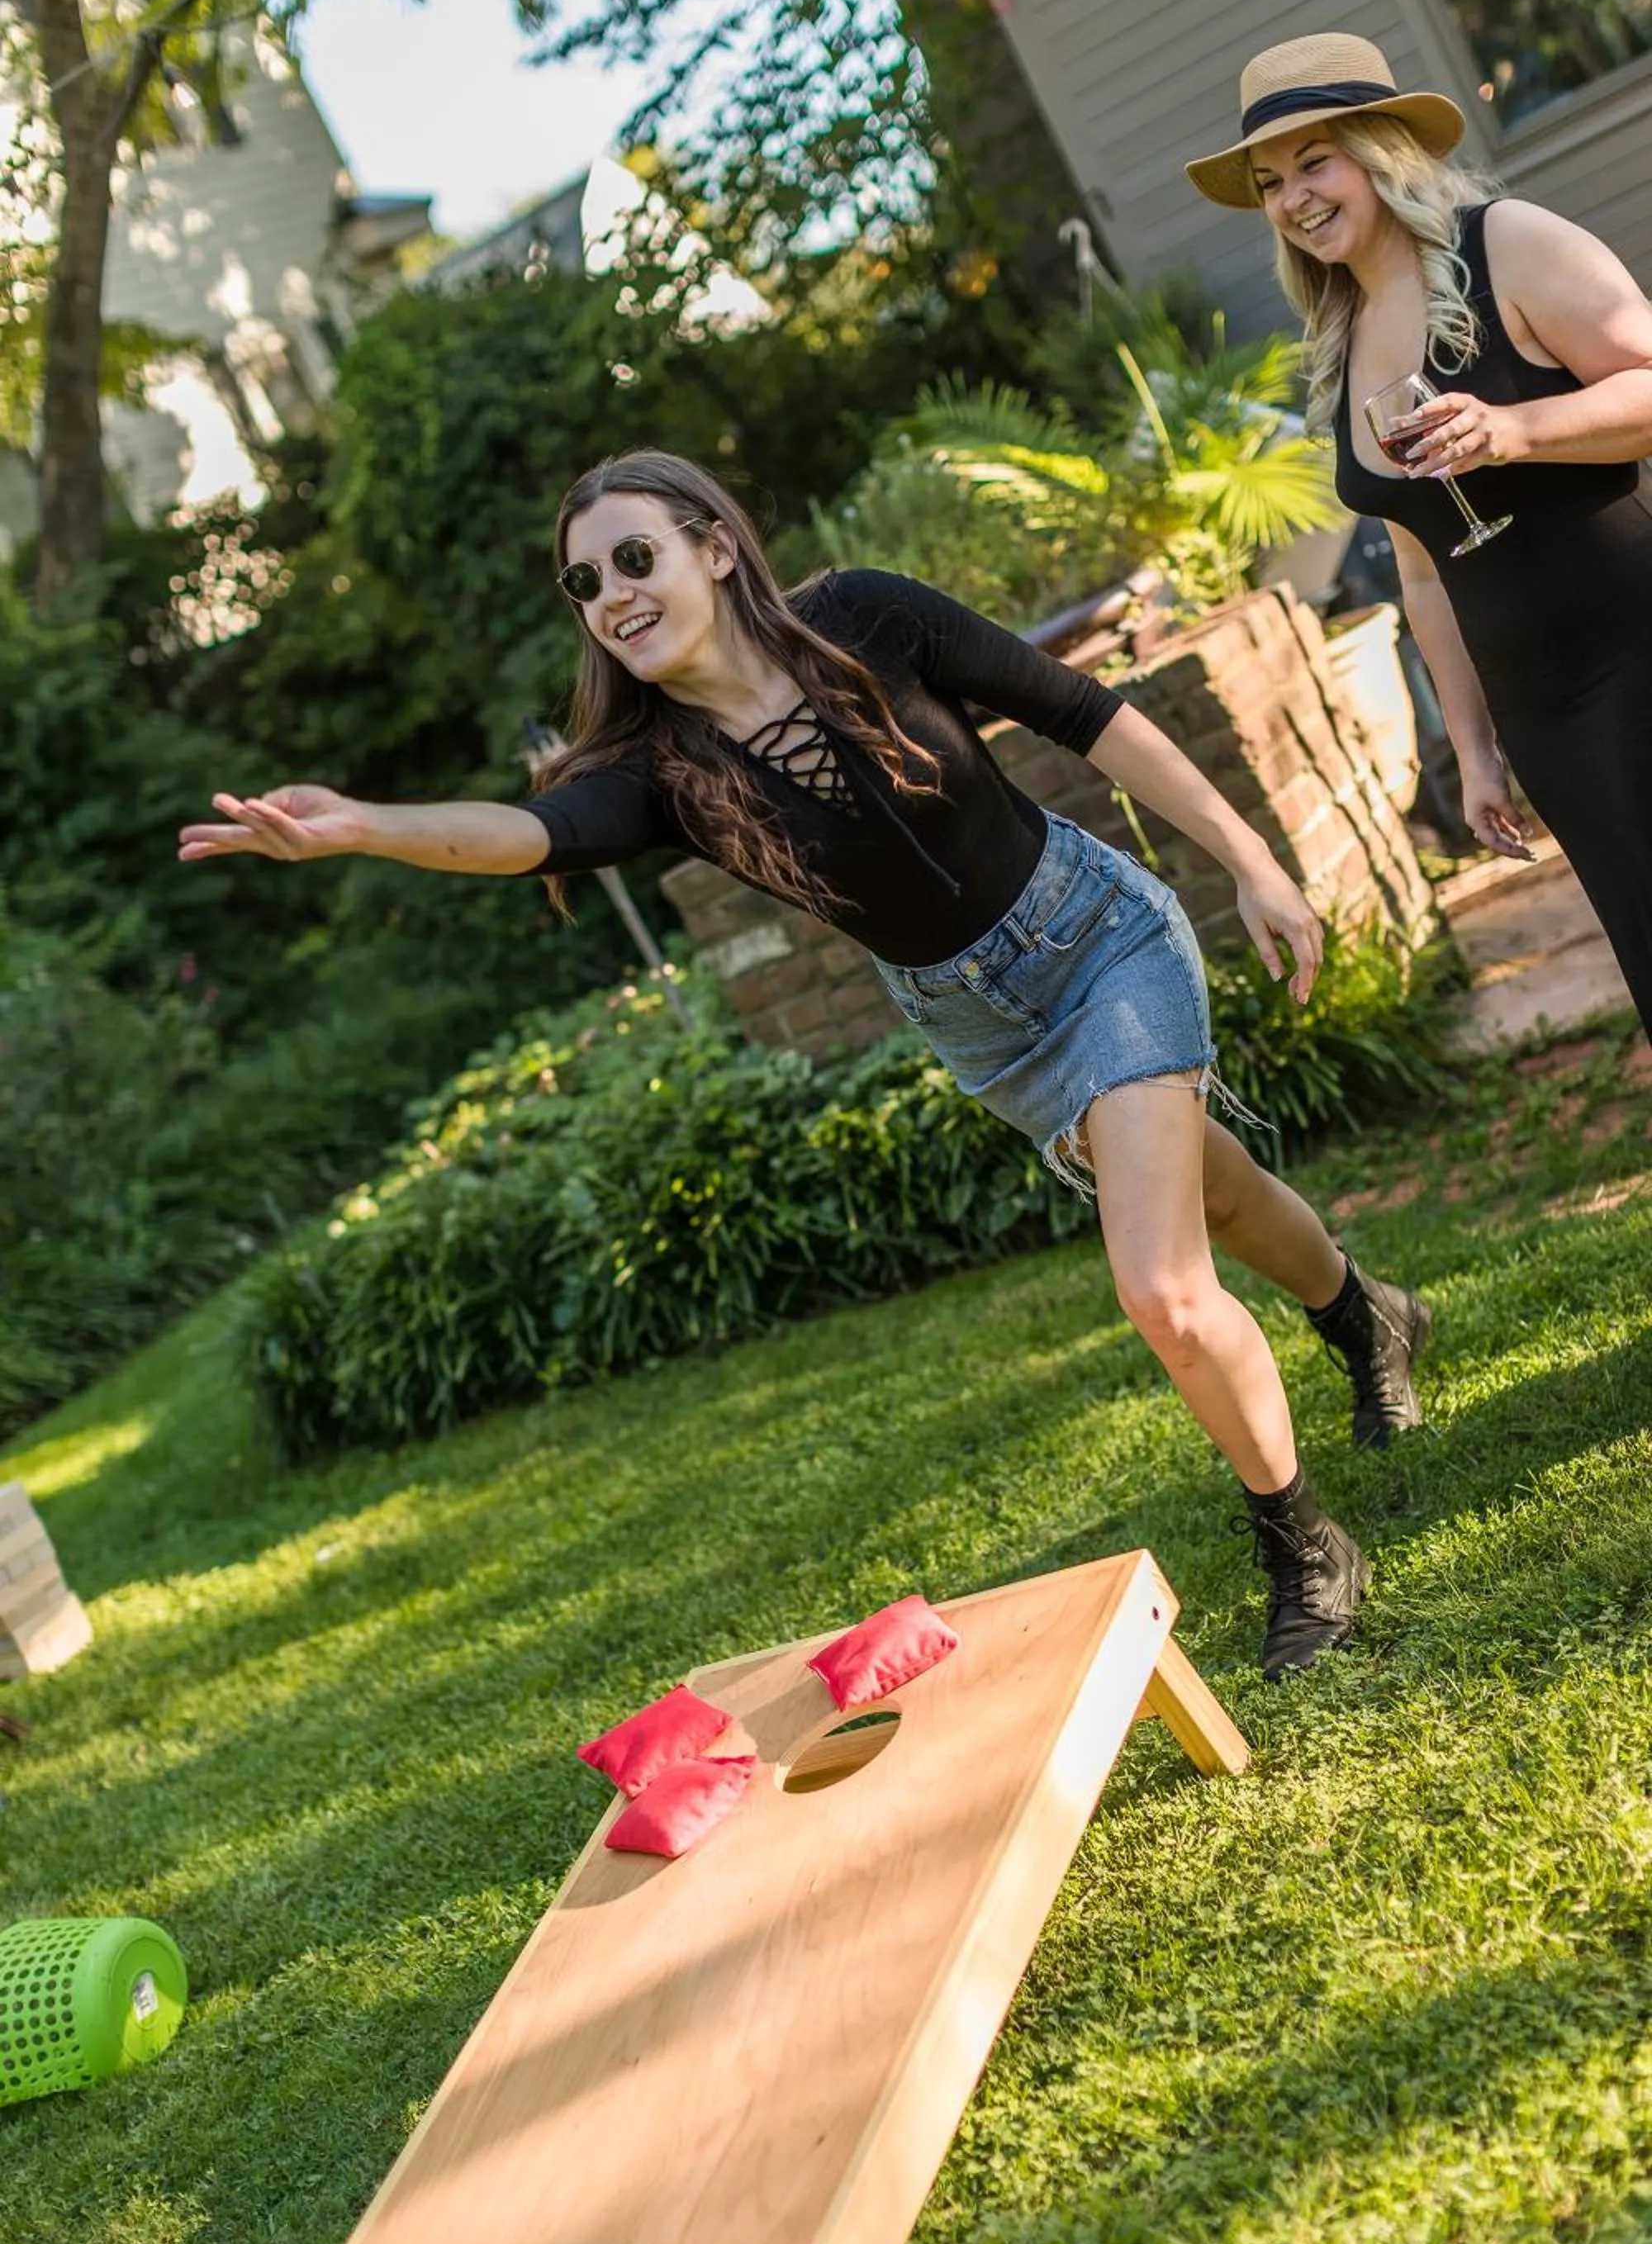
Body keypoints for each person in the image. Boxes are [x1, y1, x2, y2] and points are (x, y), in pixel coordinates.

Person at [179, 449, 1431, 1680]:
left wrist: (1254, 864)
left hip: (1097, 941)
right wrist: (364, 829)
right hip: (982, 1025)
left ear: (715, 546)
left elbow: (1087, 715)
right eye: (584, 584)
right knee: (1210, 1190)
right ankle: (1366, 1316)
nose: (612, 595)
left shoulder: (868, 616)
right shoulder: (658, 773)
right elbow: (531, 833)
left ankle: (1304, 1542)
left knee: (1162, 1288)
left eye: (634, 557)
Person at [1188, 31, 1652, 1032]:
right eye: (1270, 181)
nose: (1294, 197)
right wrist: (1474, 744)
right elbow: (1427, 572)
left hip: (1637, 648)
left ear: (1381, 149)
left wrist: (1513, 429)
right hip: (1544, 718)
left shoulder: (1505, 243)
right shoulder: (1340, 336)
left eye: (1314, 160)